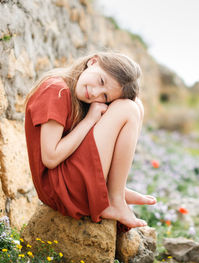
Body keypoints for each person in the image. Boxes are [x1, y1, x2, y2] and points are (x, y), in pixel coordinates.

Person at [24, 51, 156, 229]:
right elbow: (50, 158)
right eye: (101, 81)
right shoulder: (56, 90)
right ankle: (114, 200)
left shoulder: (76, 92)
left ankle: (113, 190)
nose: (95, 93)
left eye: (105, 97)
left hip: (69, 176)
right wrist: (89, 120)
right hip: (58, 188)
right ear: (93, 62)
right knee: (128, 109)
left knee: (136, 105)